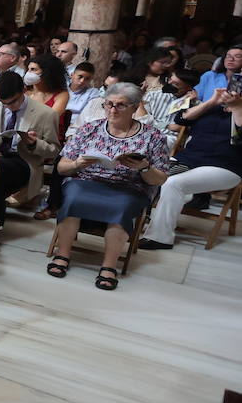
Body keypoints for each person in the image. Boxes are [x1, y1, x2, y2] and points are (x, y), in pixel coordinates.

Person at [49, 83, 170, 289]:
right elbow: (61, 167)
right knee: (72, 198)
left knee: (121, 207)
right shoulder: (89, 129)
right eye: (109, 104)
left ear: (134, 107)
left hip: (128, 186)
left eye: (120, 105)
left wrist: (143, 168)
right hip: (86, 180)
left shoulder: (153, 136)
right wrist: (78, 164)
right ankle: (63, 253)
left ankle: (109, 265)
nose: (113, 110)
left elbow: (160, 179)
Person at [139, 86, 242, 249]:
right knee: (145, 172)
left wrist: (237, 107)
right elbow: (181, 119)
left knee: (173, 183)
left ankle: (160, 238)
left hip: (225, 166)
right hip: (189, 159)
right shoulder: (212, 108)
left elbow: (239, 138)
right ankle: (134, 222)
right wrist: (212, 101)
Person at [0, 71, 61, 237]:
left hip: (24, 162)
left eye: (14, 101)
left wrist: (34, 143)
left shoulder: (46, 113)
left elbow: (54, 149)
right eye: (4, 103)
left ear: (24, 90)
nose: (10, 106)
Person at [65, 62, 102, 130]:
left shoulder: (92, 93)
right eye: (80, 77)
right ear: (72, 75)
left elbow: (89, 115)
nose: (82, 81)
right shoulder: (62, 88)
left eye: (87, 79)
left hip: (77, 127)